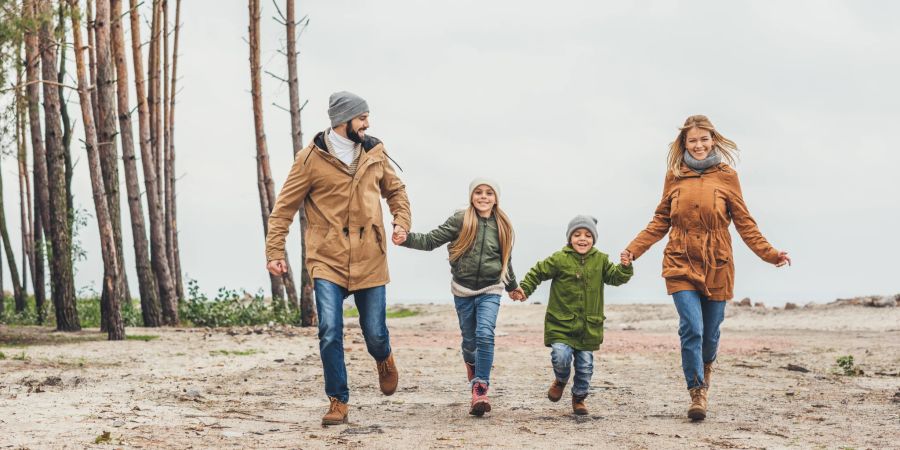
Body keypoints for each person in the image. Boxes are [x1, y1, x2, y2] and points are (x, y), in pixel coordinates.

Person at [622, 115, 791, 421]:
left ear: (713, 140)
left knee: (710, 334)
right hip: (679, 260)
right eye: (692, 141)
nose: (698, 146)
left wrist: (770, 253)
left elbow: (744, 222)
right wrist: (633, 249)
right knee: (692, 328)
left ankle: (707, 367)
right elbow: (660, 219)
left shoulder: (727, 176)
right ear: (683, 144)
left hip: (718, 263)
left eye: (703, 140)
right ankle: (697, 392)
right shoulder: (674, 176)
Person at [265, 91, 411, 426]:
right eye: (362, 118)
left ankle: (384, 357)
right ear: (343, 121)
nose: (367, 123)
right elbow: (283, 209)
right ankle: (338, 400)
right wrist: (275, 251)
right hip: (326, 258)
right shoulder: (309, 159)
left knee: (374, 331)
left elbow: (396, 191)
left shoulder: (374, 152)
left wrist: (401, 220)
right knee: (330, 329)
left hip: (370, 256)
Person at [394, 179, 522, 416]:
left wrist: (513, 286)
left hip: (491, 288)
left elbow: (506, 260)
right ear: (472, 196)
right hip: (462, 290)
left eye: (489, 193)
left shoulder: (503, 225)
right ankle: (472, 365)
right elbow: (431, 240)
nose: (483, 197)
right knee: (470, 341)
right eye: (478, 192)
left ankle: (480, 389)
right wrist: (406, 238)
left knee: (485, 334)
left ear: (496, 198)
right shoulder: (460, 220)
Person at [518, 215, 633, 415]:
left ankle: (579, 398)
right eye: (577, 234)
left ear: (594, 239)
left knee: (585, 366)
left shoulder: (601, 260)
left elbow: (615, 278)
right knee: (560, 356)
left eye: (588, 235)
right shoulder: (559, 258)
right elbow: (538, 272)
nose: (583, 238)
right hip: (560, 324)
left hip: (588, 327)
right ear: (570, 237)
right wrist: (525, 289)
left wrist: (625, 267)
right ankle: (561, 380)